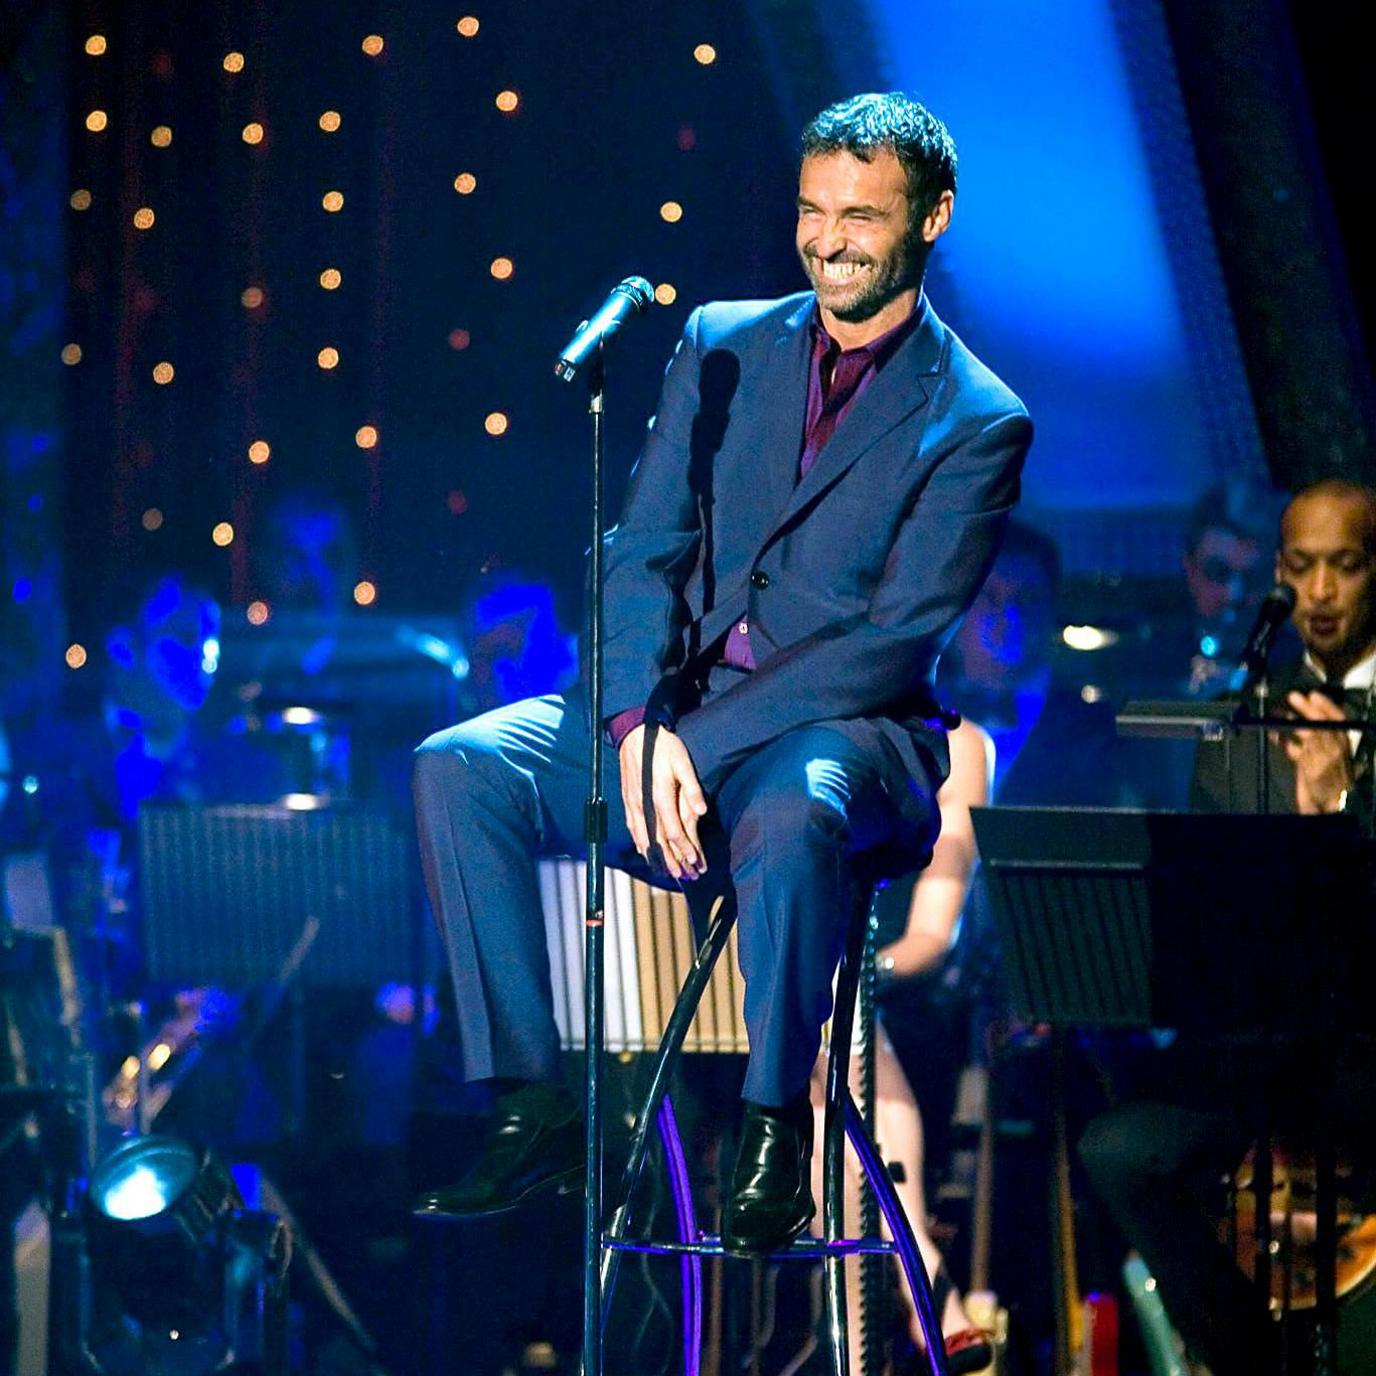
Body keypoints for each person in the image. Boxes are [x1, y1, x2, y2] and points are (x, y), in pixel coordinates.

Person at [410, 91, 1031, 1258]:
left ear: (931, 218)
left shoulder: (977, 418)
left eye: (860, 215)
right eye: (811, 211)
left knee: (801, 804)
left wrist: (688, 743)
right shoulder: (721, 341)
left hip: (839, 728)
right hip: (668, 719)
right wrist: (638, 716)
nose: (828, 238)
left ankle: (769, 1129)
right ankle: (531, 1099)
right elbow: (641, 546)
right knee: (461, 767)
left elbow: (889, 642)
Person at [1080, 478, 1376, 1376]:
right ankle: (1250, 1361)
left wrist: (1338, 804)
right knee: (1121, 1150)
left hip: (1368, 1039)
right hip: (1270, 1042)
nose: (1320, 593)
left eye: (1346, 567)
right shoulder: (1249, 712)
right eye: (1301, 569)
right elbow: (1215, 901)